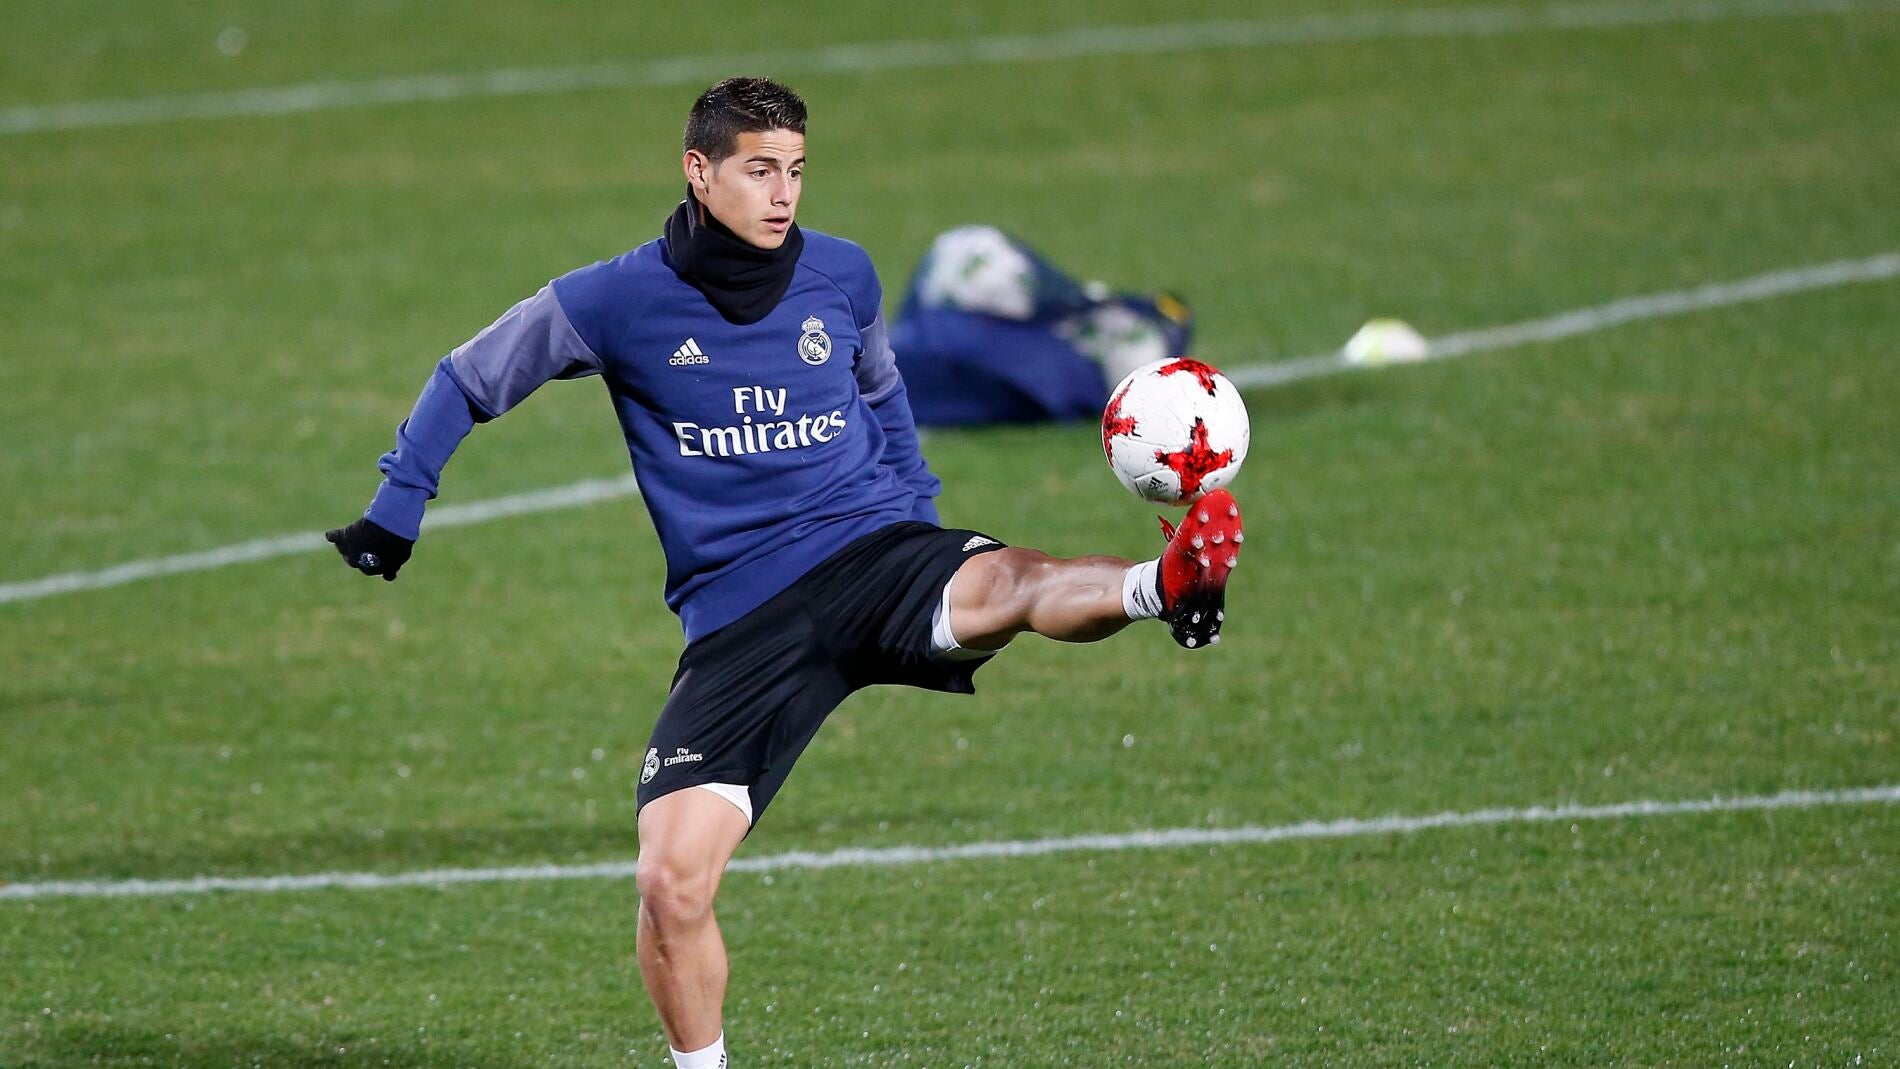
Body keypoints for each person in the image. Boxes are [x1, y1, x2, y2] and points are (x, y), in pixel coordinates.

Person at [326, 77, 1244, 1069]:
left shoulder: (842, 275)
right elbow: (467, 377)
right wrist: (396, 508)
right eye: (760, 170)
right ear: (699, 171)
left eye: (796, 170)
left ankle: (1160, 584)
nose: (783, 194)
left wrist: (917, 518)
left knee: (1010, 584)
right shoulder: (613, 300)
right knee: (671, 882)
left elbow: (883, 397)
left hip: (871, 553)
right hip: (740, 620)